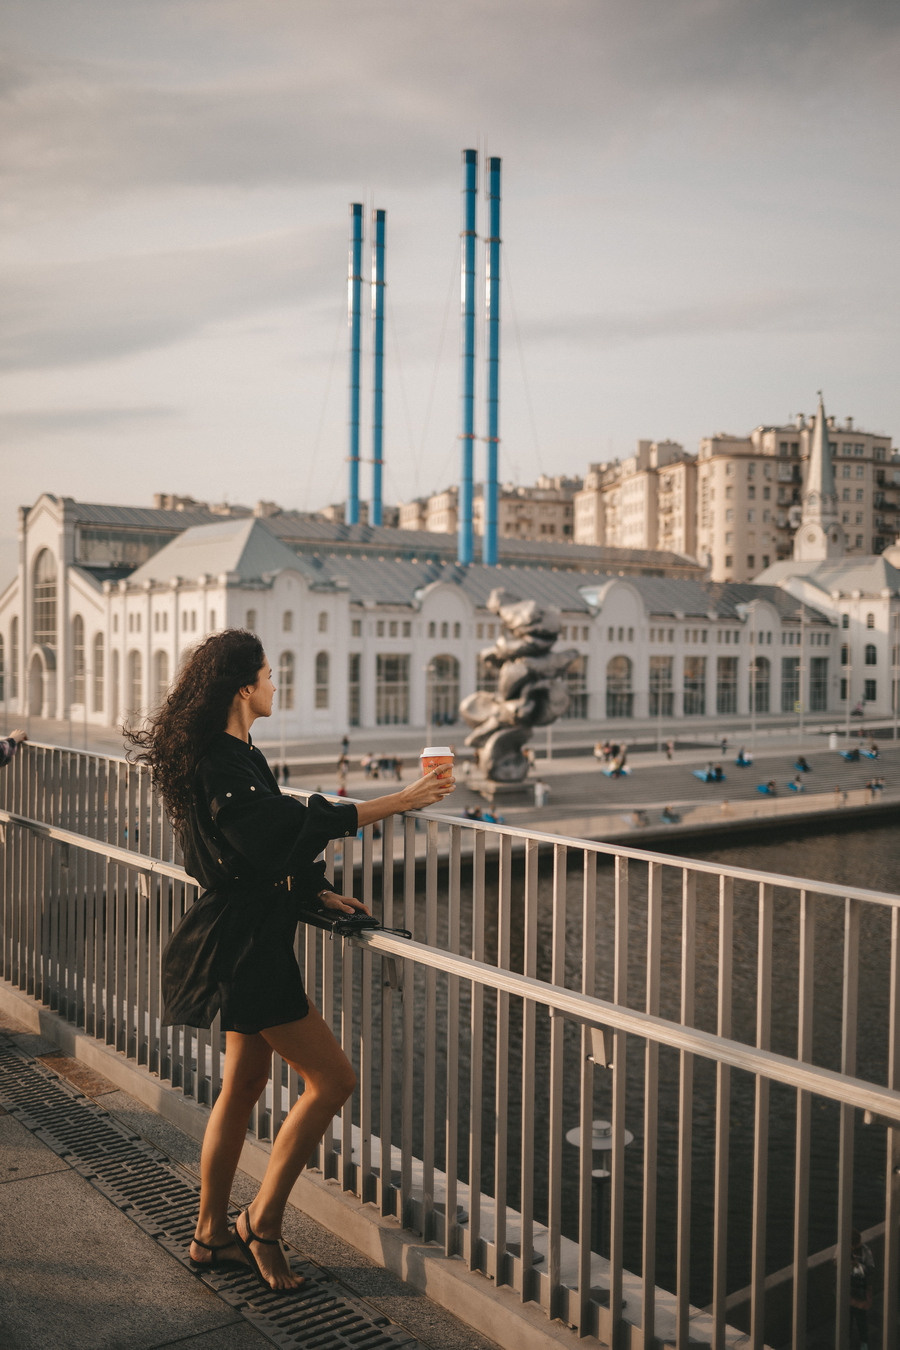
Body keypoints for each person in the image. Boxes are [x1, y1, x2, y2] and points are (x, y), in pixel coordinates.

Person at [125, 630, 454, 1293]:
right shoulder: (220, 762)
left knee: (243, 1087)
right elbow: (275, 831)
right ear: (245, 688)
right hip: (246, 948)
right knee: (332, 1080)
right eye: (271, 676)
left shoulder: (238, 752)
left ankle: (209, 1235)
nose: (278, 686)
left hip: (253, 936)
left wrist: (314, 889)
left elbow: (269, 845)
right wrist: (402, 800)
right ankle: (261, 1224)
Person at [847, 1228, 874, 1350]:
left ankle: (864, 1343)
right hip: (848, 1290)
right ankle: (846, 1340)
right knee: (847, 1319)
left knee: (861, 1319)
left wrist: (857, 1266)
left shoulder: (865, 1251)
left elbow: (870, 1269)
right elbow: (835, 1261)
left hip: (860, 1291)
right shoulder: (843, 1249)